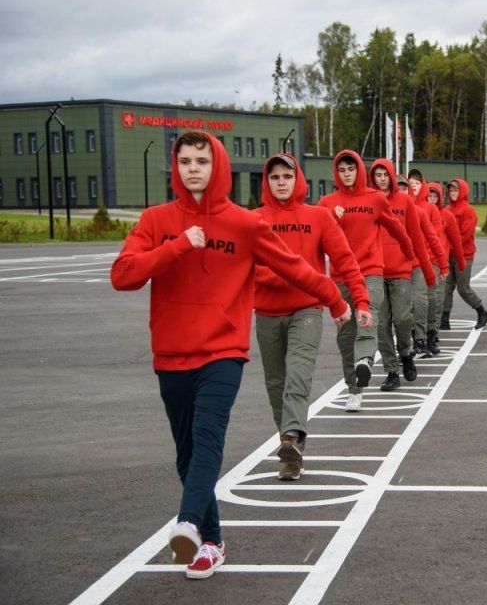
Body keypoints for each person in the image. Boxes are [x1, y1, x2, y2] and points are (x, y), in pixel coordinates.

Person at [110, 131, 350, 579]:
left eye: (202, 160)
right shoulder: (156, 219)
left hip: (223, 350)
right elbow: (123, 276)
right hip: (171, 352)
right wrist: (179, 245)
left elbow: (296, 266)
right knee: (186, 453)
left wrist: (336, 301)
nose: (193, 168)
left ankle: (186, 524)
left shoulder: (244, 223)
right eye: (184, 161)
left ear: (216, 164)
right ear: (176, 167)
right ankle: (213, 541)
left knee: (207, 437)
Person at [253, 153, 370, 480]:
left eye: (286, 177)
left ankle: (291, 436)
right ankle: (291, 451)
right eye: (274, 177)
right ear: (267, 182)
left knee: (298, 375)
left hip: (307, 309)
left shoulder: (318, 216)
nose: (280, 183)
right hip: (266, 312)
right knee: (275, 383)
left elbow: (345, 261)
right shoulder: (255, 219)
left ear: (297, 179)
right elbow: (244, 268)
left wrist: (360, 299)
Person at [319, 150, 414, 412]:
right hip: (340, 276)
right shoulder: (327, 203)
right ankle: (354, 388)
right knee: (345, 336)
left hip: (371, 271)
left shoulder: (375, 199)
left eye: (351, 168)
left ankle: (366, 359)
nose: (347, 174)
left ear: (359, 170)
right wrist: (333, 219)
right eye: (342, 170)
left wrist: (409, 253)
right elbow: (316, 239)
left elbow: (397, 228)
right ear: (337, 173)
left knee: (368, 312)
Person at [368, 160, 437, 391]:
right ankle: (391, 370)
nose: (381, 179)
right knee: (382, 324)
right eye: (377, 175)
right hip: (374, 272)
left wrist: (428, 271)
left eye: (384, 174)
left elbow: (417, 238)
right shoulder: (369, 200)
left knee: (402, 318)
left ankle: (406, 352)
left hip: (401, 271)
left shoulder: (404, 201)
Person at [407, 169, 454, 356]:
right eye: (410, 183)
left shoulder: (431, 209)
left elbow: (434, 236)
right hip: (409, 262)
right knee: (413, 302)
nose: (413, 186)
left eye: (417, 183)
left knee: (430, 299)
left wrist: (440, 262)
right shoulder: (405, 205)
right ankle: (416, 336)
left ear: (423, 185)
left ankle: (431, 333)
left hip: (429, 261)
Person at [441, 178, 487, 330]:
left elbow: (465, 235)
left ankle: (482, 312)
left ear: (462, 191)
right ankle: (444, 319)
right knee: (446, 288)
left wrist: (448, 246)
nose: (453, 193)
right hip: (449, 255)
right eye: (450, 190)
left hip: (464, 255)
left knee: (463, 288)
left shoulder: (468, 210)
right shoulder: (447, 210)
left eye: (456, 190)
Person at [427, 182, 468, 336]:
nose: (431, 199)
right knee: (423, 300)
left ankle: (433, 331)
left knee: (438, 299)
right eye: (429, 195)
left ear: (439, 197)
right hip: (422, 262)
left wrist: (461, 259)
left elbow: (456, 239)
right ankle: (421, 331)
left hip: (438, 262)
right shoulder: (420, 211)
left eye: (434, 196)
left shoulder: (447, 215)